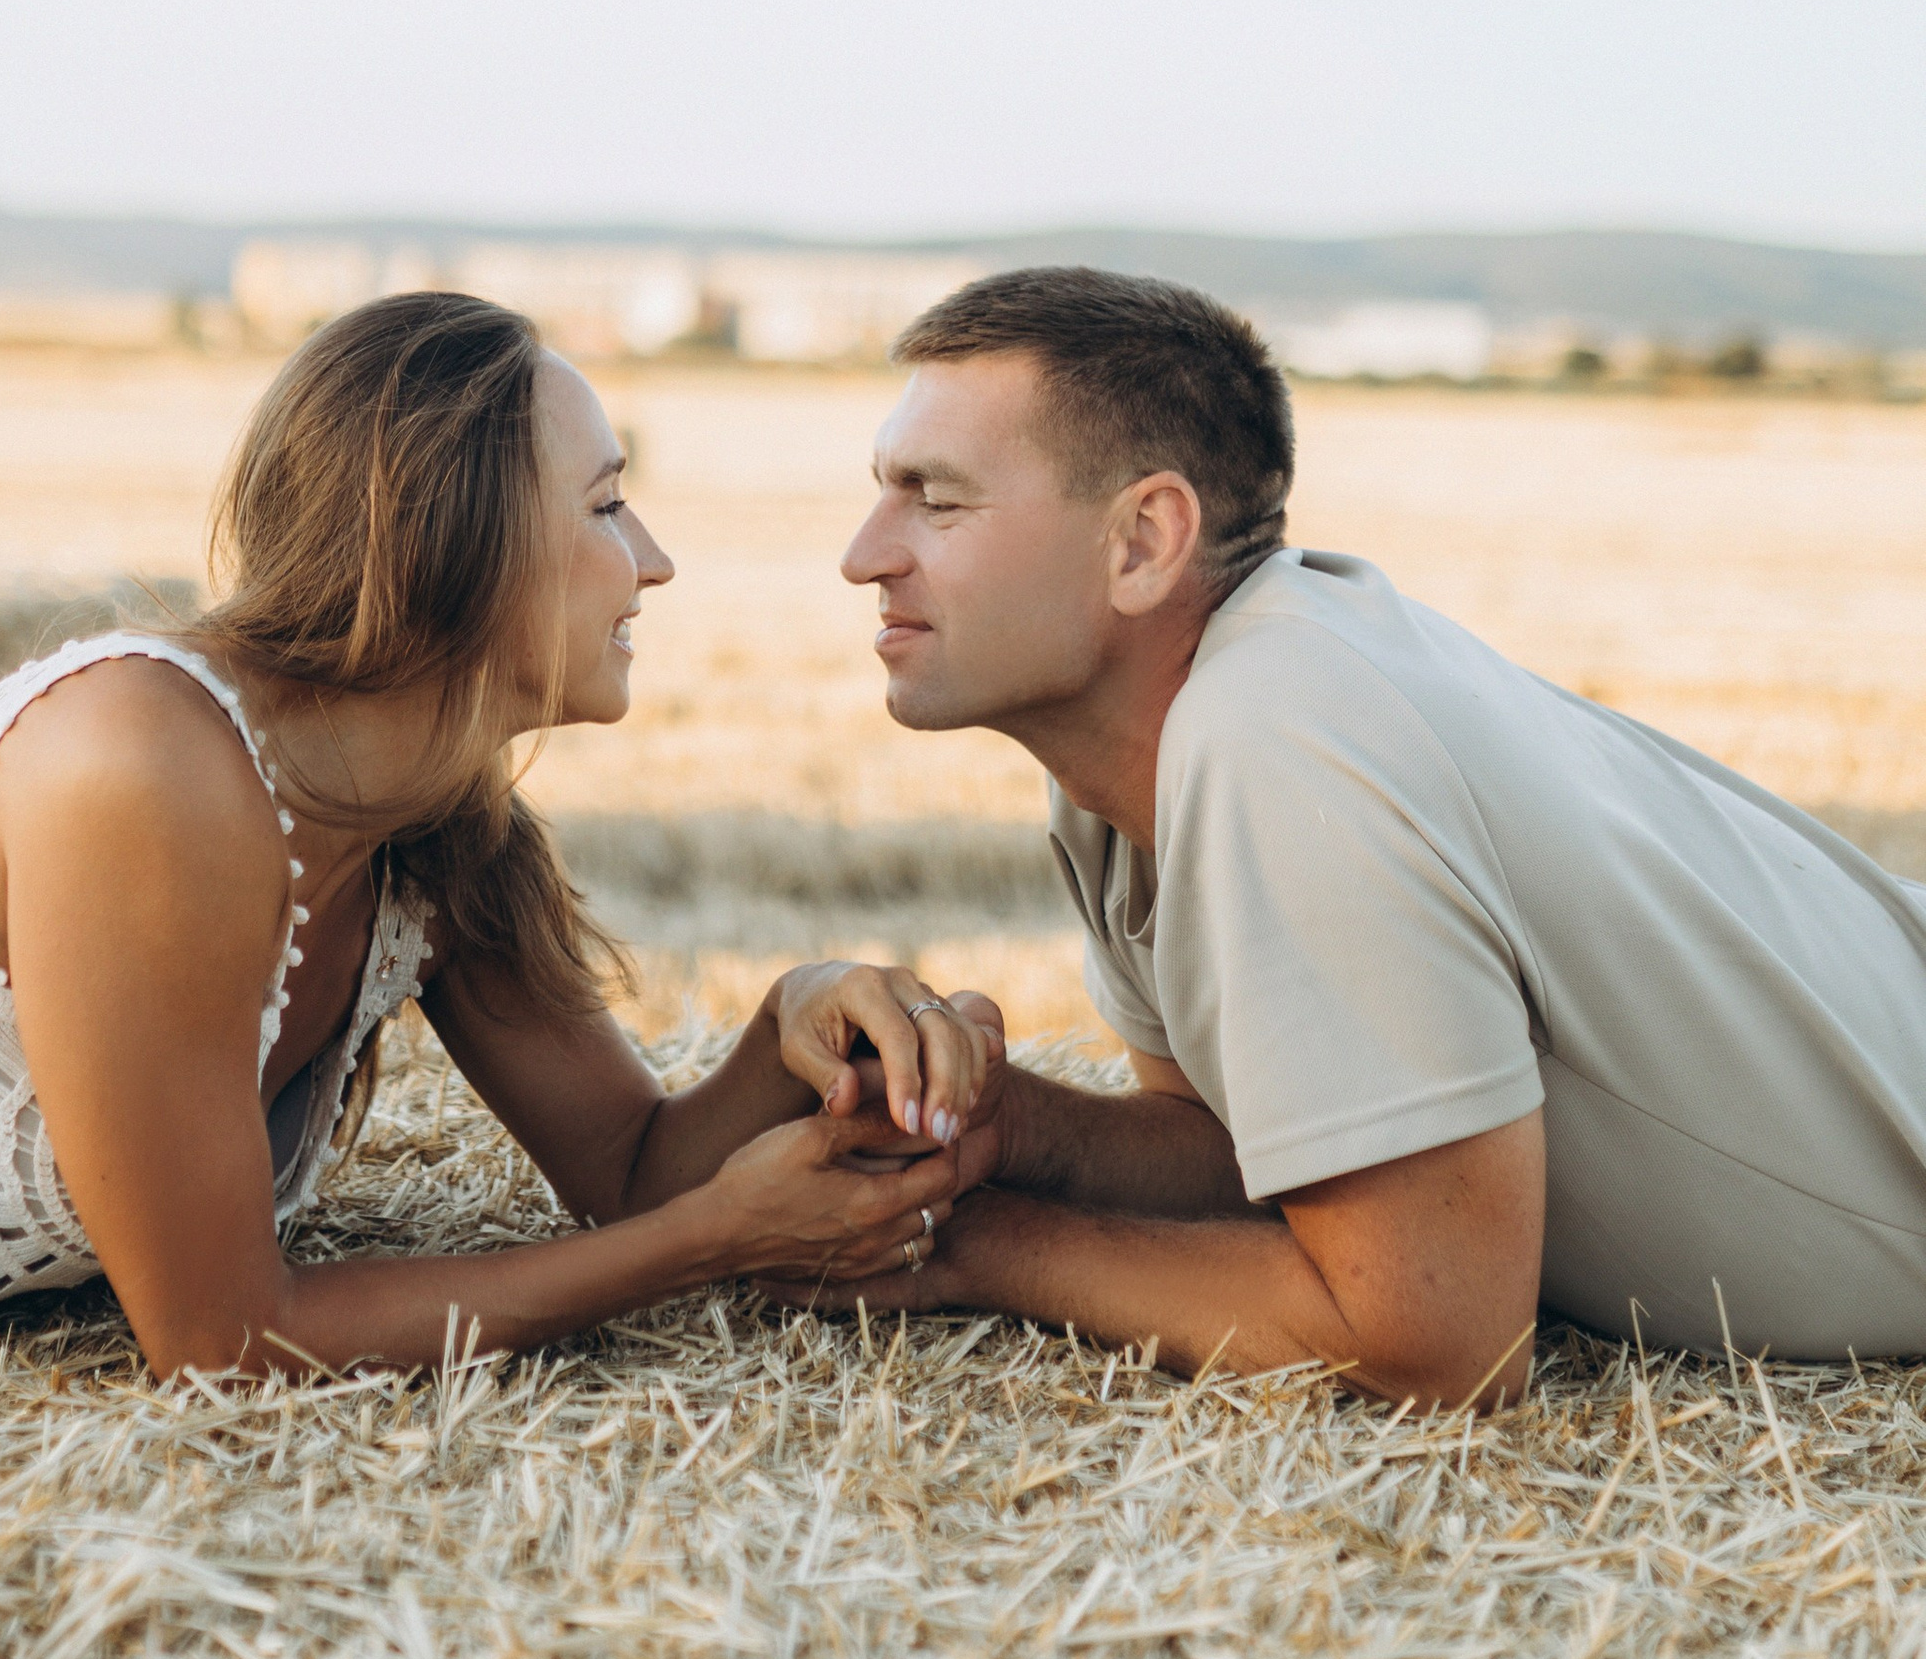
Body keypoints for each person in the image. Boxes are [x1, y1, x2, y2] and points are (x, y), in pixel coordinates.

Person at [0, 293, 995, 1390]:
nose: (653, 562)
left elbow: (629, 1167)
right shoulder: (137, 764)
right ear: (454, 536)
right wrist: (710, 1245)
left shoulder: (444, 849)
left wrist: (810, 1015)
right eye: (605, 504)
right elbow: (222, 1344)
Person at [823, 266, 1926, 1402]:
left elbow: (1437, 1344)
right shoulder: (1140, 750)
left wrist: (964, 1245)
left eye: (936, 499)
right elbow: (1255, 1157)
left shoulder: (1278, 735)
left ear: (1144, 541)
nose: (863, 553)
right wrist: (1002, 1132)